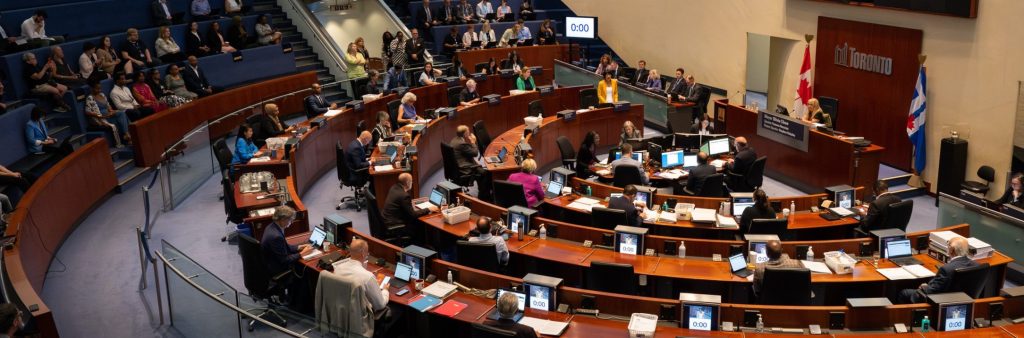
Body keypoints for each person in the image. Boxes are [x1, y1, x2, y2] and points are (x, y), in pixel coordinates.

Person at [333, 238, 399, 337]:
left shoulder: (338, 269)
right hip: (361, 323)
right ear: (363, 254)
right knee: (398, 309)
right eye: (367, 252)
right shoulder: (367, 277)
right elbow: (380, 305)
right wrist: (385, 290)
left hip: (341, 317)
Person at [898, 237, 977, 304]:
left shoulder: (946, 269)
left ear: (952, 250)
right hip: (964, 299)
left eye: (948, 245)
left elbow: (934, 291)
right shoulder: (976, 265)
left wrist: (924, 287)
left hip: (941, 300)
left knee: (904, 293)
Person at [260, 205, 313, 302]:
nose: (291, 223)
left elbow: (283, 247)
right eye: (290, 220)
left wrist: (299, 247)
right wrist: (302, 254)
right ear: (283, 219)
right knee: (304, 270)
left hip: (269, 263)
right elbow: (285, 260)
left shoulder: (272, 227)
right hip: (276, 270)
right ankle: (297, 303)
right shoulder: (276, 236)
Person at [383, 173, 432, 244]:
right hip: (395, 224)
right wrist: (429, 209)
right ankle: (421, 244)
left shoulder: (394, 187)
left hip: (386, 220)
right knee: (420, 223)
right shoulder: (404, 196)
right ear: (408, 183)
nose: (412, 183)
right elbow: (413, 215)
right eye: (411, 181)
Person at [451, 125, 494, 200]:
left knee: (483, 170)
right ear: (465, 134)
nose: (469, 132)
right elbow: (475, 153)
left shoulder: (454, 140)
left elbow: (467, 151)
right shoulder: (461, 144)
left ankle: (485, 193)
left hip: (458, 165)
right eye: (468, 131)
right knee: (485, 173)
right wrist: (473, 142)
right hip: (465, 168)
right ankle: (484, 196)